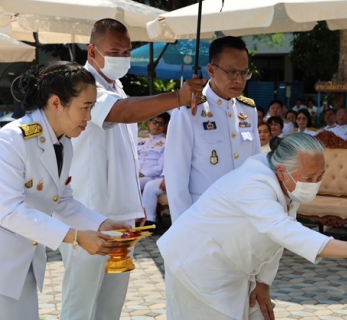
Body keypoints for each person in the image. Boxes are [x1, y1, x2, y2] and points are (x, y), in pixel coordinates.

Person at [59, 19, 205, 320]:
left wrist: (134, 206)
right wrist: (177, 97)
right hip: (88, 212)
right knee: (81, 302)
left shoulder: (118, 86)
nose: (122, 58)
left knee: (111, 302)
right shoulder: (83, 85)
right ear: (92, 51)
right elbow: (120, 113)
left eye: (126, 51)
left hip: (121, 214)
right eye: (114, 50)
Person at [158, 133, 347, 320]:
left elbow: (277, 235)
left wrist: (263, 283)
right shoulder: (253, 183)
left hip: (236, 266)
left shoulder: (287, 179)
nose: (315, 184)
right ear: (282, 171)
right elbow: (282, 230)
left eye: (320, 176)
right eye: (309, 178)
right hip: (197, 265)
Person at [0, 61, 132, 319]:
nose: (89, 117)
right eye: (85, 107)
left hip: (22, 263)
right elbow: (9, 211)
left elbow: (60, 201)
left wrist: (102, 223)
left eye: (92, 108)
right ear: (56, 103)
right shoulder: (12, 139)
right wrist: (75, 237)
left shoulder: (63, 143)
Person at [164, 36, 261, 223]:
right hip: (205, 217)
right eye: (232, 72)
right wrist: (183, 228)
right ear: (211, 70)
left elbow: (255, 166)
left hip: (242, 216)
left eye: (244, 73)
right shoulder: (188, 111)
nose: (239, 80)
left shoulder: (248, 110)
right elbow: (176, 178)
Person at [138, 113, 170, 190]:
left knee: (134, 184)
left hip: (150, 176)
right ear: (149, 123)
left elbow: (160, 167)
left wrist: (143, 173)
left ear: (165, 126)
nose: (157, 125)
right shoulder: (139, 139)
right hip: (136, 173)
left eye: (161, 123)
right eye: (155, 122)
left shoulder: (166, 143)